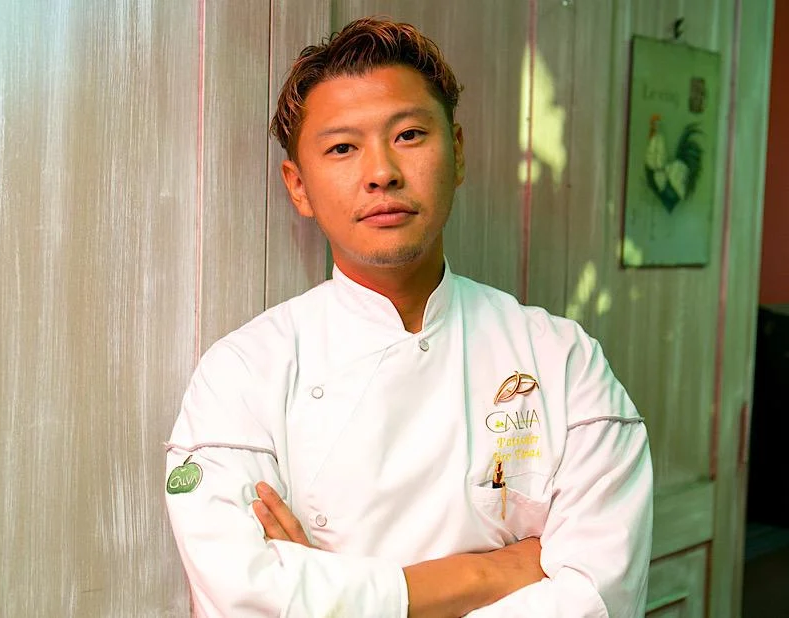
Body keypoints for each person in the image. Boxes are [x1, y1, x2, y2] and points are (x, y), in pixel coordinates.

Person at [164, 16, 652, 617]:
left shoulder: (562, 360)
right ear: (298, 186)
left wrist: (329, 596)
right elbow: (246, 599)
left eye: (410, 135)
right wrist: (488, 571)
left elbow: (600, 596)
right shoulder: (242, 375)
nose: (382, 173)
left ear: (458, 152)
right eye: (342, 148)